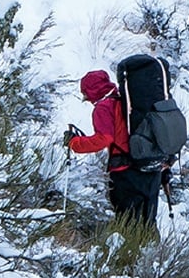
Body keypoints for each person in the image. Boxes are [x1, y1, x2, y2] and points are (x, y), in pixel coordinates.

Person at [63, 66, 163, 228]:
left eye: (85, 93)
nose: (86, 98)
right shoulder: (128, 101)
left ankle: (129, 250)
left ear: (92, 91)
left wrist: (74, 143)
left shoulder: (104, 107)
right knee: (148, 222)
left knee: (128, 221)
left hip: (125, 171)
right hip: (150, 168)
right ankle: (152, 251)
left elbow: (104, 139)